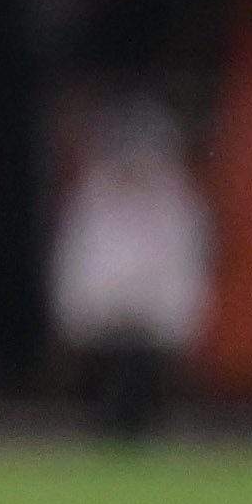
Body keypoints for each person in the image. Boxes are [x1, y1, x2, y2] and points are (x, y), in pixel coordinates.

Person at [48, 99, 212, 438]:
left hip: (153, 325)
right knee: (108, 395)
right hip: (107, 323)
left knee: (147, 391)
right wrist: (87, 315)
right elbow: (80, 262)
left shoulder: (177, 205)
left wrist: (173, 318)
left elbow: (186, 266)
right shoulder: (94, 200)